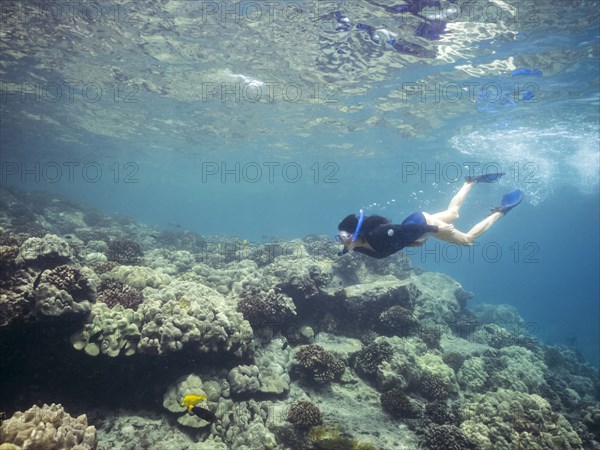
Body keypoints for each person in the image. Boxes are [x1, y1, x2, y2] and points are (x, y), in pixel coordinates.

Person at [336, 173, 523, 259]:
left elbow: (404, 229)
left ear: (356, 233)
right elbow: (396, 242)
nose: (342, 241)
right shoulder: (359, 248)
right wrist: (411, 243)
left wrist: (435, 229)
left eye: (344, 236)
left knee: (467, 240)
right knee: (453, 213)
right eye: (340, 237)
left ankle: (500, 211)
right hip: (417, 226)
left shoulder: (377, 234)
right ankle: (470, 182)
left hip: (420, 224)